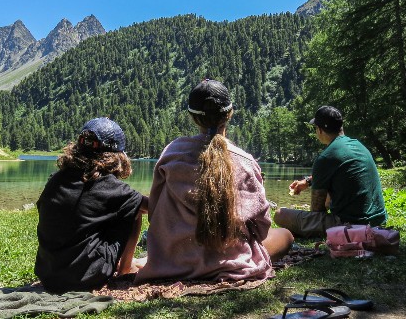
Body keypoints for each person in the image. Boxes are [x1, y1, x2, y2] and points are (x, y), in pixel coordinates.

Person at [135, 79, 293, 284]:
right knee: (286, 235)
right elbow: (262, 226)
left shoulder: (172, 154)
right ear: (230, 113)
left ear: (193, 117)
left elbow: (155, 211)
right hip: (231, 260)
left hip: (175, 259)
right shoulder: (244, 161)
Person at [34, 117, 148, 293]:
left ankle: (126, 263)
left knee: (126, 205)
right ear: (115, 156)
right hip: (84, 277)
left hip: (48, 273)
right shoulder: (107, 185)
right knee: (134, 209)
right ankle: (125, 269)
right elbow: (151, 206)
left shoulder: (57, 178)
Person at [274, 106, 388, 238]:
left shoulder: (325, 157)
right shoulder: (358, 145)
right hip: (378, 220)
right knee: (330, 195)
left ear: (320, 130)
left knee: (280, 215)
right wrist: (307, 182)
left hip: (352, 225)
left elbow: (317, 211)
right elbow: (339, 170)